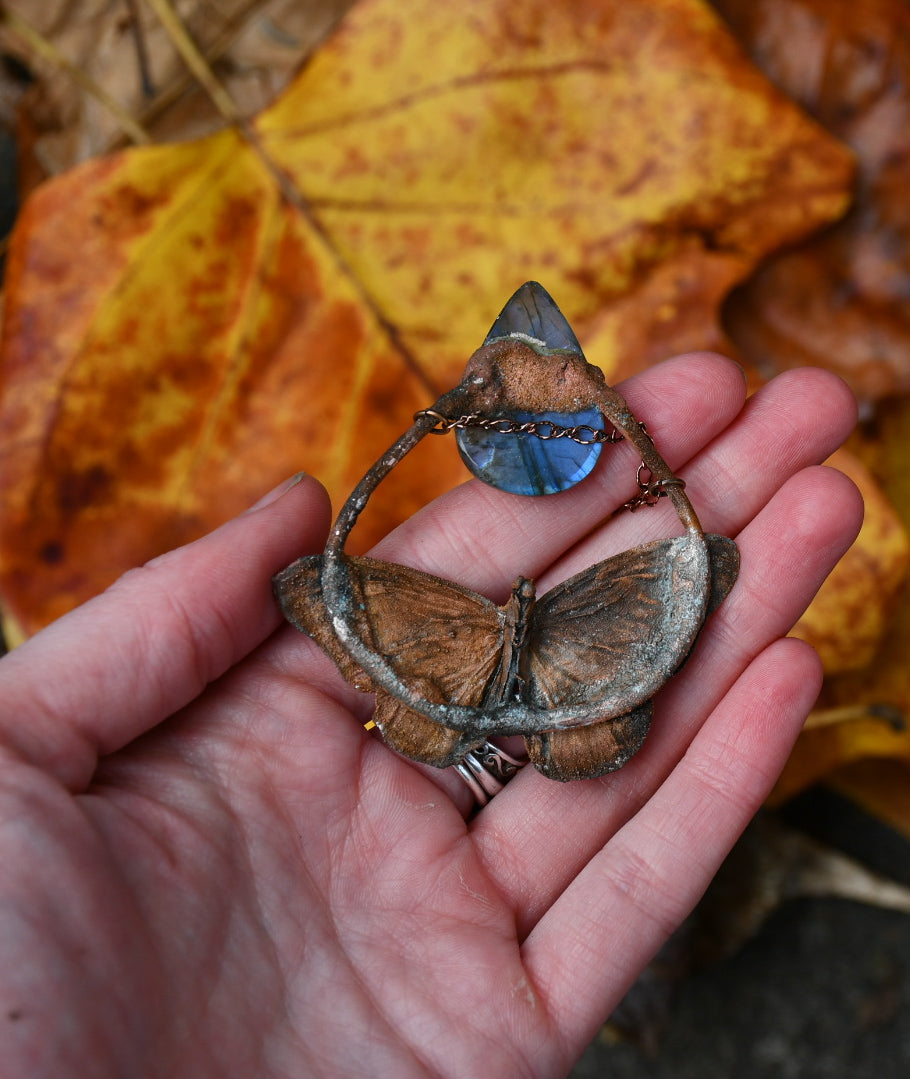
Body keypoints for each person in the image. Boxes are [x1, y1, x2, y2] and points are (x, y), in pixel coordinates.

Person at [0, 352, 861, 1077]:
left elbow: (329, 574)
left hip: (480, 686)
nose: (523, 598)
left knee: (688, 583)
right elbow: (322, 582)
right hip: (552, 686)